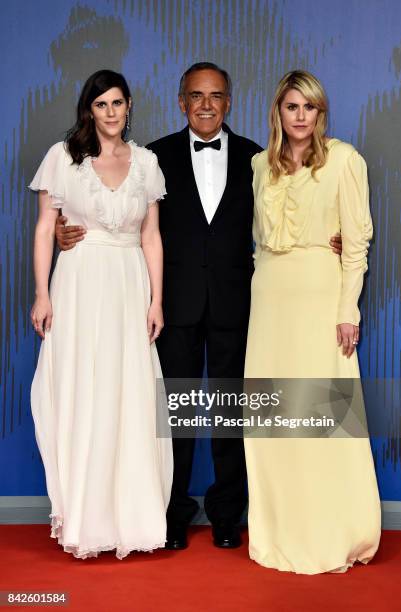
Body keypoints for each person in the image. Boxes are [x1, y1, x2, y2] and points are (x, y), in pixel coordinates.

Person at [55, 63, 342, 551]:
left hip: (240, 302)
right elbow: (117, 211)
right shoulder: (152, 158)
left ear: (229, 102)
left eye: (216, 96)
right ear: (180, 102)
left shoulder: (259, 157)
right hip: (172, 303)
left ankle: (229, 513)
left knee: (232, 413)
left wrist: (328, 240)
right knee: (175, 415)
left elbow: (290, 211)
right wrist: (66, 233)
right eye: (195, 95)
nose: (206, 105)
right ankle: (172, 513)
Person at [29, 69, 173, 559]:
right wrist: (42, 295)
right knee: (84, 388)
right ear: (88, 111)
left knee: (128, 391)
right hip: (80, 282)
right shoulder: (62, 158)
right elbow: (45, 227)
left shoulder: (148, 163)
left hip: (129, 282)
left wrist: (156, 300)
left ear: (129, 105)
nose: (110, 113)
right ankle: (85, 517)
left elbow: (152, 236)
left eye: (117, 103)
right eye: (101, 105)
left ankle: (131, 517)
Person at [244, 70, 381, 574]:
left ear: (322, 114)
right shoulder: (259, 165)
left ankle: (333, 529)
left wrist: (348, 310)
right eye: (291, 107)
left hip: (321, 299)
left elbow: (357, 245)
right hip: (269, 299)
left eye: (310, 109)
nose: (300, 117)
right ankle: (279, 529)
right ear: (278, 111)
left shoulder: (344, 160)